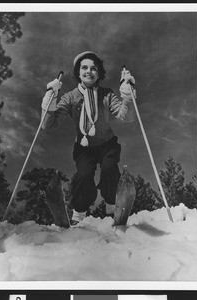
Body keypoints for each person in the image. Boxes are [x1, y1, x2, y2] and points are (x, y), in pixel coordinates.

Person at [41, 51, 136, 225]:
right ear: (78, 73)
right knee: (84, 176)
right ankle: (79, 212)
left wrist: (128, 96)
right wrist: (50, 99)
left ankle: (111, 203)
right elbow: (49, 125)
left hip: (107, 144)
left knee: (109, 168)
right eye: (84, 68)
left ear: (99, 73)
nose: (89, 71)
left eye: (94, 68)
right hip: (84, 148)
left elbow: (127, 116)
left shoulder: (106, 94)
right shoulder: (70, 97)